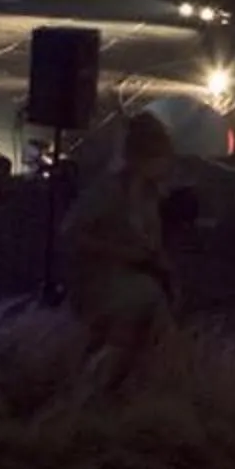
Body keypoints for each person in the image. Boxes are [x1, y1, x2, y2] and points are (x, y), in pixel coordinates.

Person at [62, 110, 179, 368]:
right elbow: (71, 233)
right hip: (103, 280)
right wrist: (120, 252)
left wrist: (158, 261)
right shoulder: (109, 191)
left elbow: (152, 242)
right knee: (145, 305)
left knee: (154, 306)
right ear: (143, 158)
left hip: (138, 278)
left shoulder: (151, 196)